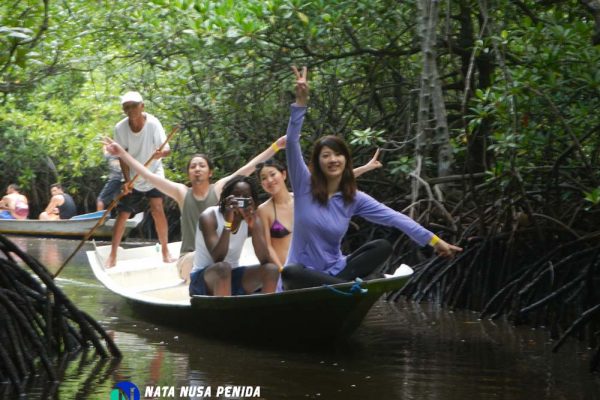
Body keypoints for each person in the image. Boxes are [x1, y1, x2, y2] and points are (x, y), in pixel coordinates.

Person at [280, 66, 463, 290]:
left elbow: (395, 218)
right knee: (290, 272)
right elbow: (291, 143)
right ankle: (349, 286)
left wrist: (434, 241)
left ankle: (342, 285)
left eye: (338, 154)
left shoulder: (354, 197)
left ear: (346, 160)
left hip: (337, 271)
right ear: (317, 163)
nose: (333, 160)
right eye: (326, 156)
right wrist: (301, 103)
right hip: (303, 277)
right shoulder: (303, 185)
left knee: (381, 246)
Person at [101, 135, 286, 277]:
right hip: (190, 260)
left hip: (218, 256)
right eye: (193, 166)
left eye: (202, 166)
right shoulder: (181, 193)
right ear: (189, 173)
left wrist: (275, 146)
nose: (197, 169)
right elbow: (148, 176)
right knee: (210, 264)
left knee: (228, 265)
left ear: (210, 172)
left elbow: (248, 168)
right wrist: (122, 154)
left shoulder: (219, 189)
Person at [255, 149, 383, 271]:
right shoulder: (264, 210)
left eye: (272, 174)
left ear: (283, 174)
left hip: (316, 267)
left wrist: (366, 167)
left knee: (374, 250)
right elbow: (268, 247)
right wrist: (282, 271)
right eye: (264, 178)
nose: (269, 180)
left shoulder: (304, 196)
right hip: (291, 271)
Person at [106, 90, 173, 268]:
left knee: (157, 208)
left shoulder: (153, 123)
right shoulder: (120, 128)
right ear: (124, 110)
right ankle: (113, 255)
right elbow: (122, 155)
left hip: (153, 172)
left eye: (134, 106)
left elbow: (166, 150)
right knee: (123, 213)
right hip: (134, 174)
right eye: (127, 107)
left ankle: (165, 251)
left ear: (142, 106)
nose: (131, 110)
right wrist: (127, 180)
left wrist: (161, 153)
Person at [189, 175, 278, 296]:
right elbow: (218, 258)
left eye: (245, 197)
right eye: (236, 195)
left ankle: (264, 313)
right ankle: (227, 314)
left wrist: (254, 226)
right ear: (226, 197)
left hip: (232, 275)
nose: (240, 200)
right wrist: (228, 223)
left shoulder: (252, 218)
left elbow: (264, 259)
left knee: (271, 270)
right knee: (223, 268)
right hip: (203, 279)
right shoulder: (209, 216)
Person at [96, 144, 124, 211]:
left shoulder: (110, 156)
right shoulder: (122, 155)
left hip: (114, 180)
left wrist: (104, 144)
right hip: (123, 180)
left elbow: (104, 149)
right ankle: (118, 216)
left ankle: (99, 218)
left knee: (100, 200)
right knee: (116, 200)